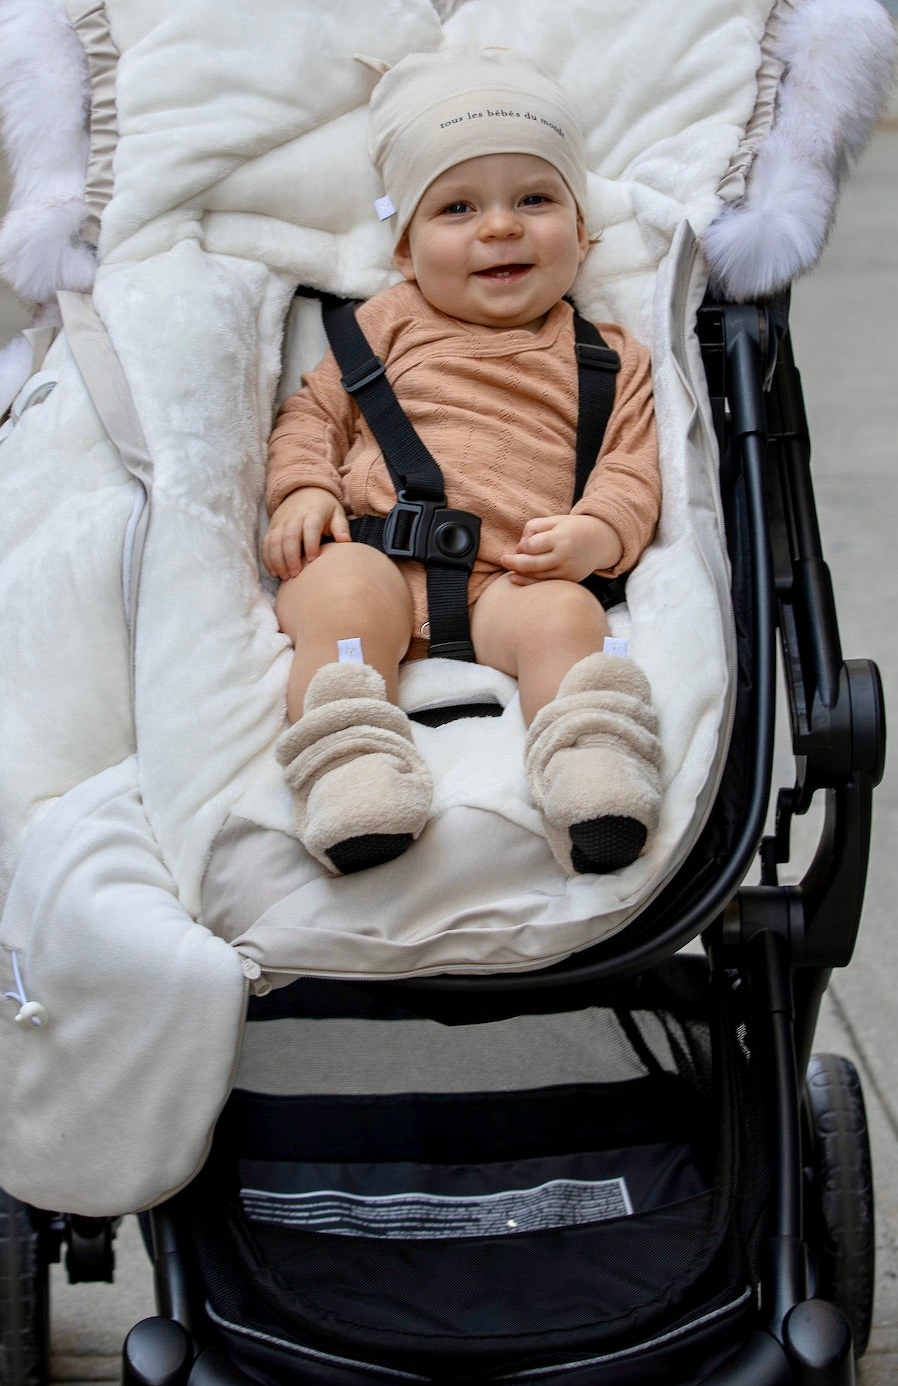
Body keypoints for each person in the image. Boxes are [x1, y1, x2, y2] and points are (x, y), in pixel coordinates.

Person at [264, 48, 664, 878]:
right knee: (339, 606)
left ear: (582, 234)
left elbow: (633, 467)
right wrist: (301, 490)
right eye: (457, 208)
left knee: (569, 621)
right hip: (371, 552)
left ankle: (589, 774)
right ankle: (351, 772)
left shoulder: (609, 357)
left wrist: (595, 533)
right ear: (405, 250)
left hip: (509, 579)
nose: (500, 227)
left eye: (535, 199)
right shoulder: (386, 322)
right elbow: (312, 415)